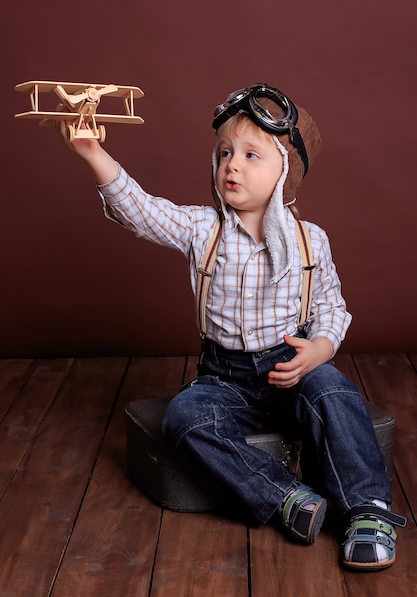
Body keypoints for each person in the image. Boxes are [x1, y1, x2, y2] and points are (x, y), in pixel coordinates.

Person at [59, 83, 405, 571]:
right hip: (224, 379)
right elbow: (140, 212)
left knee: (334, 392)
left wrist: (320, 350)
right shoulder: (204, 229)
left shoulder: (310, 241)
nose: (232, 166)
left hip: (290, 368)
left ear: (286, 170)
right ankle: (286, 497)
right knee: (185, 418)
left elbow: (332, 306)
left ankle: (368, 508)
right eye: (224, 154)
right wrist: (93, 153)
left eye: (250, 155)